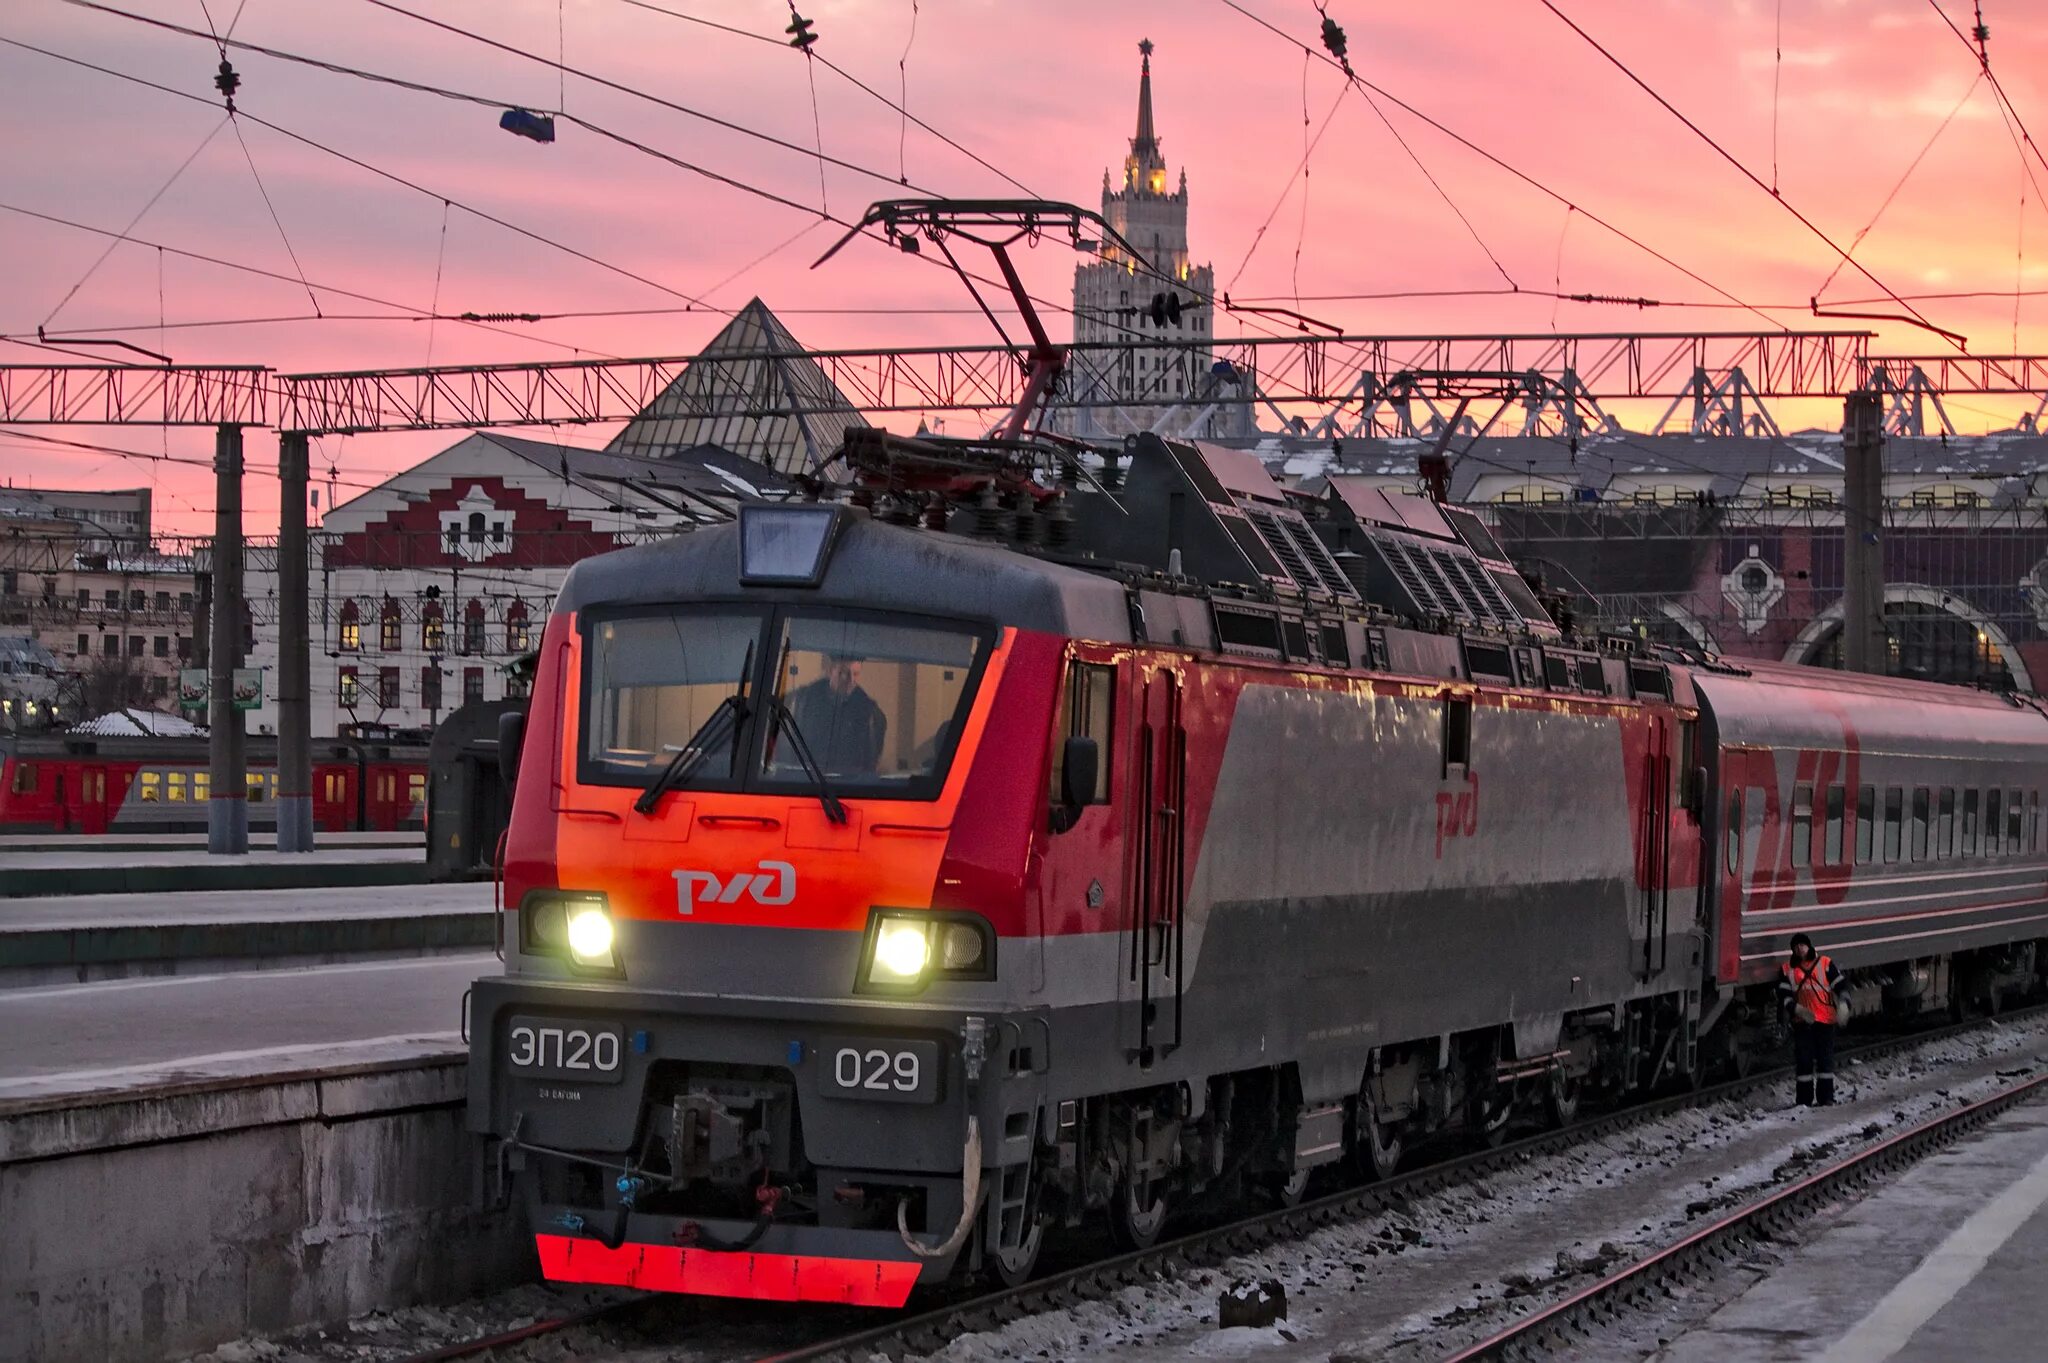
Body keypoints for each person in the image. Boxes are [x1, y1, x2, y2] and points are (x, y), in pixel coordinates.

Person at [784, 653, 887, 776]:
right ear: (831, 671)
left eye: (856, 674)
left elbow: (871, 762)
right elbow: (788, 749)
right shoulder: (802, 703)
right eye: (844, 673)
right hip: (805, 780)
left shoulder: (870, 713)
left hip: (851, 785)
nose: (851, 680)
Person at [1777, 932, 1845, 1106]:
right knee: (1804, 1062)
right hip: (1803, 1022)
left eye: (1802, 945)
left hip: (1825, 1020)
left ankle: (1826, 1098)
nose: (1800, 949)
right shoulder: (1788, 969)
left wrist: (1845, 1004)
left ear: (1809, 946)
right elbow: (1784, 996)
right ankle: (1804, 1100)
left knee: (1825, 1061)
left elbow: (1841, 985)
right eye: (1796, 946)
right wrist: (1797, 1009)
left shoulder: (1825, 963)